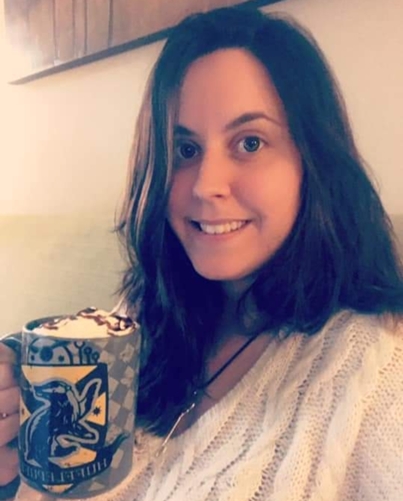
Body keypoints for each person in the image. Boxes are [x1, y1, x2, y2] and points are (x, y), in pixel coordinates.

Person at [1, 5, 403, 501]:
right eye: (185, 151)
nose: (206, 185)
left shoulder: (376, 371)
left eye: (249, 143)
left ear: (314, 161)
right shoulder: (141, 317)